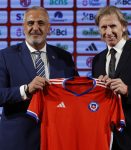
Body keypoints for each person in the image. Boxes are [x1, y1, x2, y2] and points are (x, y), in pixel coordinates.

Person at [0, 6, 78, 150]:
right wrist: (26, 89)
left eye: (41, 23)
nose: (35, 28)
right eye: (30, 23)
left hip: (57, 138)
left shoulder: (64, 57)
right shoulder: (5, 56)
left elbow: (75, 93)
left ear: (49, 28)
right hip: (19, 140)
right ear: (23, 27)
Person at [92, 6, 131, 150]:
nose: (108, 32)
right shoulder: (97, 60)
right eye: (104, 27)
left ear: (123, 27)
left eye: (113, 26)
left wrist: (128, 90)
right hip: (107, 138)